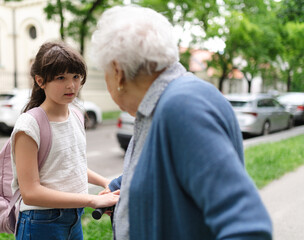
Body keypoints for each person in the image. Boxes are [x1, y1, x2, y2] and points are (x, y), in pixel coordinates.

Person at [91, 5, 272, 240]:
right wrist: (124, 185)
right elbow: (174, 170)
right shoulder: (162, 103)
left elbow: (248, 226)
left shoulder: (183, 106)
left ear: (118, 72)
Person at [11, 41, 119, 240]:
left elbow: (69, 165)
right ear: (40, 81)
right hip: (41, 223)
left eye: (76, 77)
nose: (71, 85)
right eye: (61, 78)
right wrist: (91, 200)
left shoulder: (76, 115)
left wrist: (106, 181)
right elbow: (30, 193)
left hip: (73, 218)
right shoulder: (30, 124)